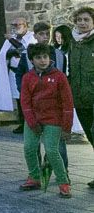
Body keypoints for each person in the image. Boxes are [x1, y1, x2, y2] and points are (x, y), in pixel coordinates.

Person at [19, 44, 74, 198]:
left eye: (45, 57)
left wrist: (66, 127)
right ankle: (35, 177)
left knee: (51, 150)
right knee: (29, 148)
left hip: (53, 120)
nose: (42, 60)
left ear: (50, 58)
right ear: (31, 60)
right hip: (34, 119)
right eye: (38, 57)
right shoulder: (27, 77)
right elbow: (25, 102)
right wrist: (31, 122)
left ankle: (63, 181)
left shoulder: (59, 77)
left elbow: (67, 103)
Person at [0, 16, 35, 133]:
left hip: (26, 73)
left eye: (18, 25)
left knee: (28, 99)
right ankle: (22, 123)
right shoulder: (12, 38)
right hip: (14, 72)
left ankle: (31, 123)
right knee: (19, 100)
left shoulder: (32, 37)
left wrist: (12, 42)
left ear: (25, 25)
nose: (15, 28)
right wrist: (11, 52)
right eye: (13, 25)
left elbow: (24, 50)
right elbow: (4, 53)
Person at [67, 6, 94, 189]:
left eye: (86, 20)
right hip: (80, 99)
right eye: (79, 20)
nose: (82, 23)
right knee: (92, 138)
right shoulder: (73, 43)